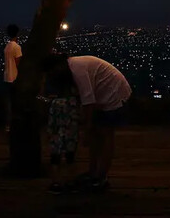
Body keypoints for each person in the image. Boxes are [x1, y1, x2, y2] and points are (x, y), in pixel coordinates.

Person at [43, 54, 131, 192]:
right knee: (99, 134)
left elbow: (88, 101)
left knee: (106, 135)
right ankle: (94, 172)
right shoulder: (74, 66)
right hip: (107, 93)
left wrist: (86, 129)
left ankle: (100, 176)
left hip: (114, 94)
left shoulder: (76, 70)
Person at [45, 66, 80, 195]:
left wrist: (49, 133)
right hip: (71, 133)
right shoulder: (73, 102)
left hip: (56, 135)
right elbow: (76, 118)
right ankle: (70, 181)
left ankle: (56, 182)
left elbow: (52, 121)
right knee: (70, 158)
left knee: (55, 159)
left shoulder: (55, 103)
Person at [3, 24, 22, 132]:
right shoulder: (17, 47)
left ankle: (8, 125)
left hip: (6, 77)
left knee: (9, 103)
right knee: (16, 103)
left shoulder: (7, 47)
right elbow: (19, 63)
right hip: (14, 78)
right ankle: (16, 125)